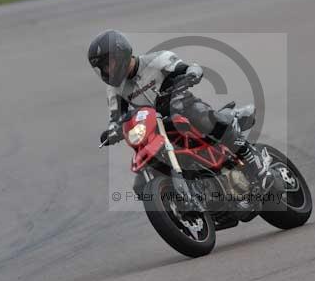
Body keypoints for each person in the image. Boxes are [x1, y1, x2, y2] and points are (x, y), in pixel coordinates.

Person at [88, 30, 273, 190]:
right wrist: (112, 131)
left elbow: (186, 67)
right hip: (153, 127)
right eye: (103, 67)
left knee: (206, 119)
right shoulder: (115, 90)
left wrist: (191, 73)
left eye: (108, 63)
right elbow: (116, 118)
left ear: (121, 53)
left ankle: (255, 164)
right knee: (141, 182)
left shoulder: (156, 60)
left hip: (182, 106)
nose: (107, 70)